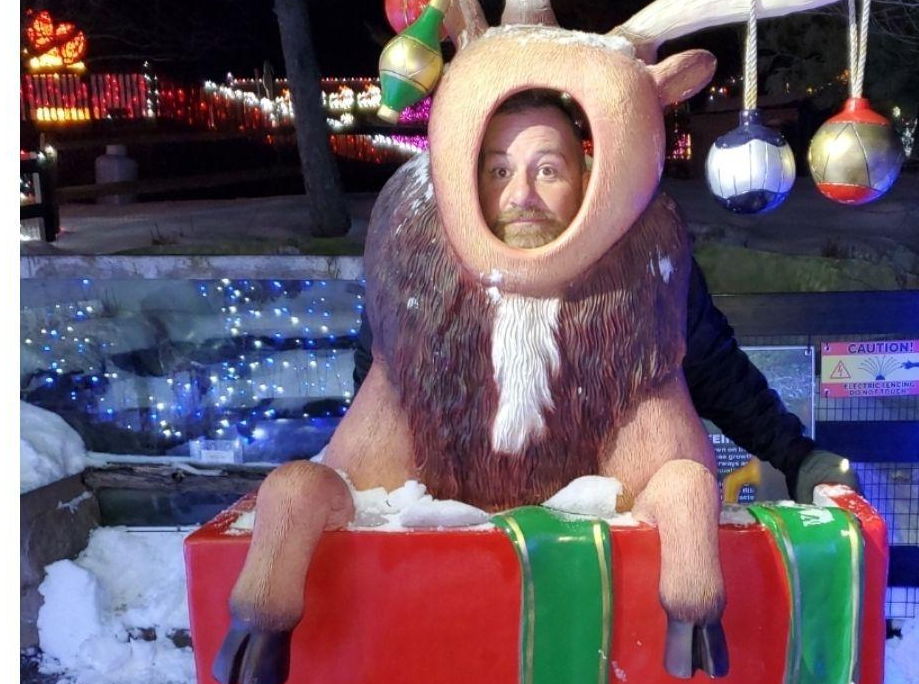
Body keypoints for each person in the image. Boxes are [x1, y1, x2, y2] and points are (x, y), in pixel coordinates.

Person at [352, 90, 860, 500]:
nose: (521, 195)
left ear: (586, 182)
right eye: (500, 171)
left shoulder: (641, 268)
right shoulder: (422, 274)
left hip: (598, 547)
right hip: (453, 540)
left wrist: (797, 456)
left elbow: (715, 371)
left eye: (547, 170)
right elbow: (378, 393)